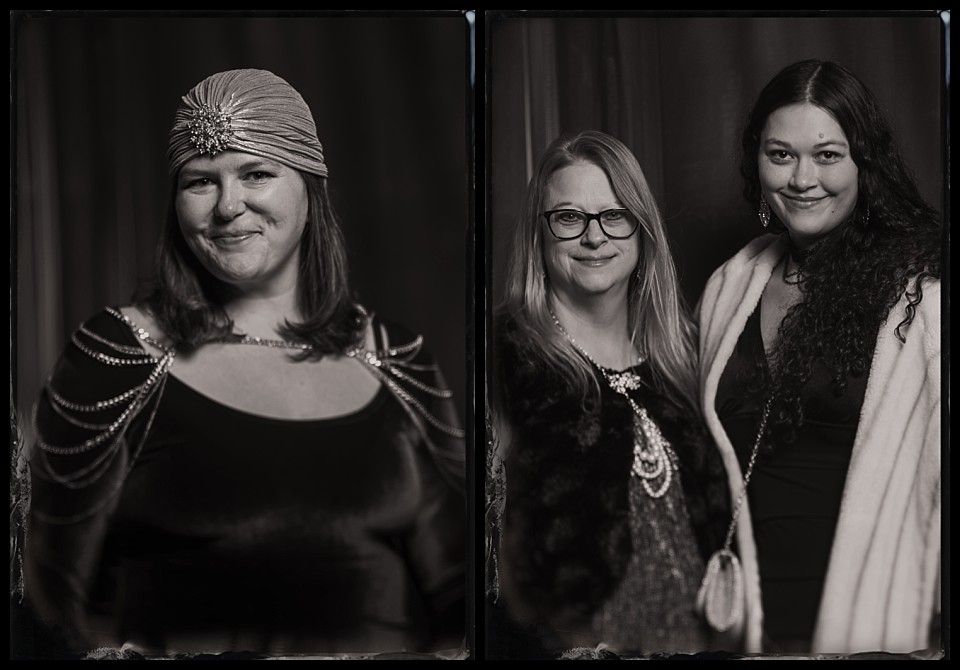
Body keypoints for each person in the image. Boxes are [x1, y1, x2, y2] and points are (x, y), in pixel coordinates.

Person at [24, 68, 466, 658]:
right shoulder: (120, 354)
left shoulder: (394, 355)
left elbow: (463, 595)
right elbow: (44, 599)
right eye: (201, 181)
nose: (229, 206)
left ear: (310, 187)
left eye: (257, 172)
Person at [697, 59, 941, 655]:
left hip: (878, 622)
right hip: (747, 625)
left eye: (828, 155)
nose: (803, 178)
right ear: (757, 161)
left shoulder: (924, 295)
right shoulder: (729, 287)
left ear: (866, 162)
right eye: (781, 154)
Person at [486, 130, 729, 658]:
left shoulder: (687, 350)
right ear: (540, 234)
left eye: (614, 214)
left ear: (642, 230)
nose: (595, 237)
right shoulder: (500, 355)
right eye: (570, 217)